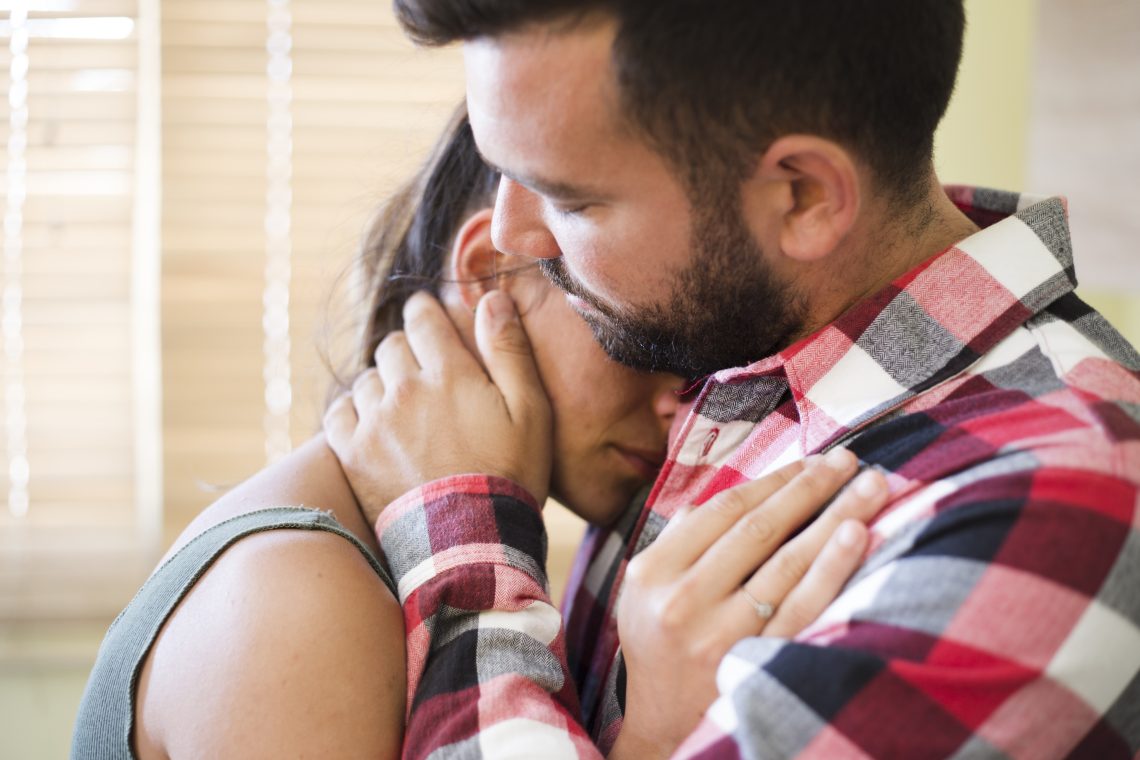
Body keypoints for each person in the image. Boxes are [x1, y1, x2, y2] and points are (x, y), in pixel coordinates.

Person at [324, 1, 1140, 758]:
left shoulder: (1057, 509)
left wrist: (461, 540)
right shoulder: (730, 347)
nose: (508, 231)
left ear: (803, 196)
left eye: (569, 200)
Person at [70, 105, 883, 759]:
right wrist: (658, 739)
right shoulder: (298, 602)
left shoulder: (444, 560)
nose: (689, 402)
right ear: (497, 273)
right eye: (651, 343)